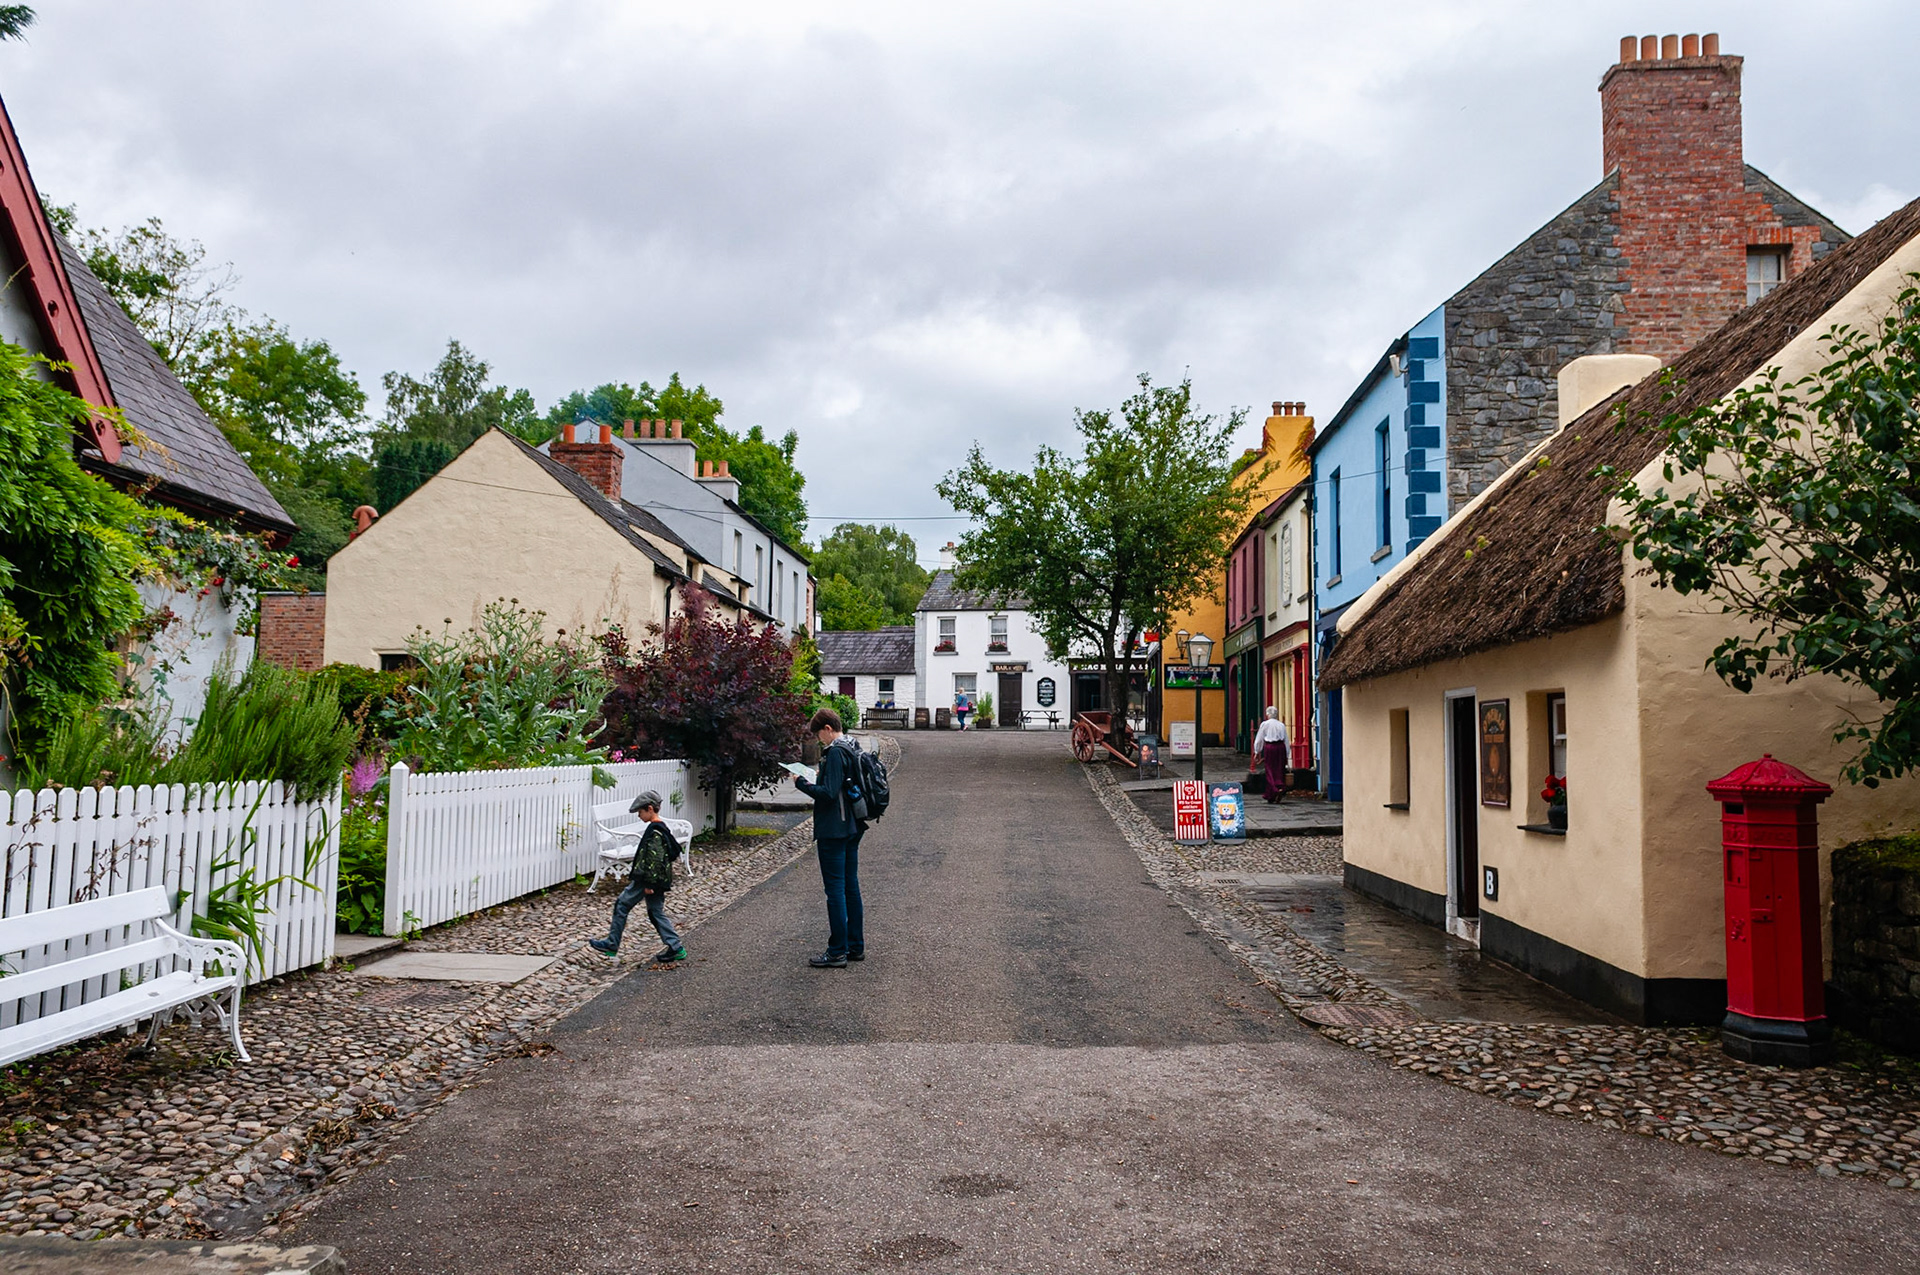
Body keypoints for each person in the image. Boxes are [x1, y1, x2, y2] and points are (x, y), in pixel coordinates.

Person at [793, 707, 866, 967]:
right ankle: (855, 946)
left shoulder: (835, 751)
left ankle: (837, 951)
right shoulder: (852, 745)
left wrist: (801, 783)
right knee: (850, 887)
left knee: (835, 891)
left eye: (819, 736)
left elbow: (828, 792)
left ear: (827, 729)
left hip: (834, 829)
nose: (819, 741)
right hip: (852, 826)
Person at [586, 790, 687, 962]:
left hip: (647, 879)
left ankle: (612, 943)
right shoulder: (661, 829)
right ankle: (676, 947)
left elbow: (654, 860)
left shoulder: (655, 831)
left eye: (640, 812)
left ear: (649, 809)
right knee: (655, 912)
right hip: (657, 880)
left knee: (621, 905)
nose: (639, 816)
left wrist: (649, 884)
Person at [1252, 706, 1290, 804]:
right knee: (1279, 769)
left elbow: (1259, 739)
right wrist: (1287, 753)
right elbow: (1286, 740)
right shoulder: (1281, 725)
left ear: (1267, 714)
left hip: (1270, 747)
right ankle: (1279, 787)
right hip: (1280, 747)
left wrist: (1257, 752)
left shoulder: (1265, 724)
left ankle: (1275, 790)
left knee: (1270, 770)